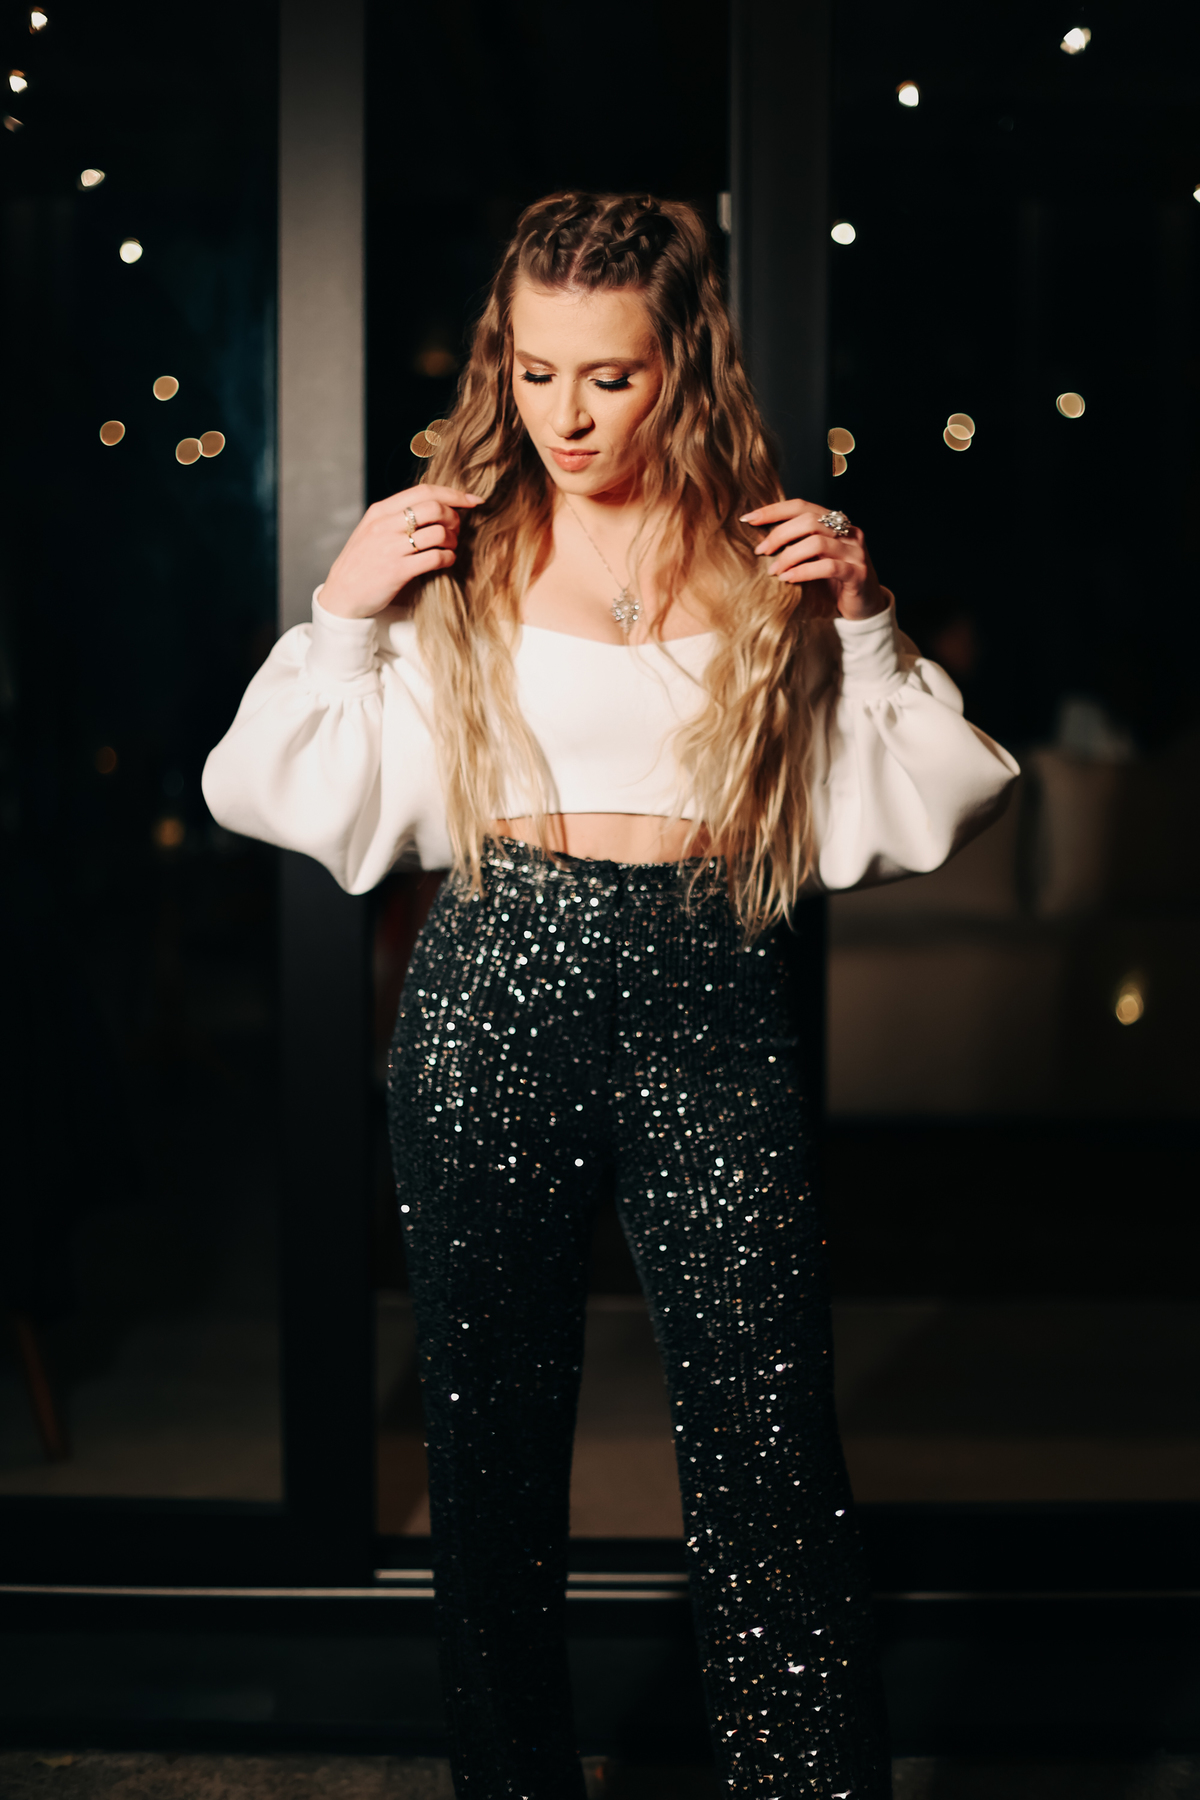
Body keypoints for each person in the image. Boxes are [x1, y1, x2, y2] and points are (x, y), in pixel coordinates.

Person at [203, 191, 1018, 1800]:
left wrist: (864, 627)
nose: (565, 416)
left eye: (611, 376)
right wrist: (343, 611)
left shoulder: (772, 556)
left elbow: (943, 797)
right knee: (492, 1466)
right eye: (533, 372)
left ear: (684, 366)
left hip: (713, 997)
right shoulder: (454, 548)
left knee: (772, 1450)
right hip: (497, 990)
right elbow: (261, 784)